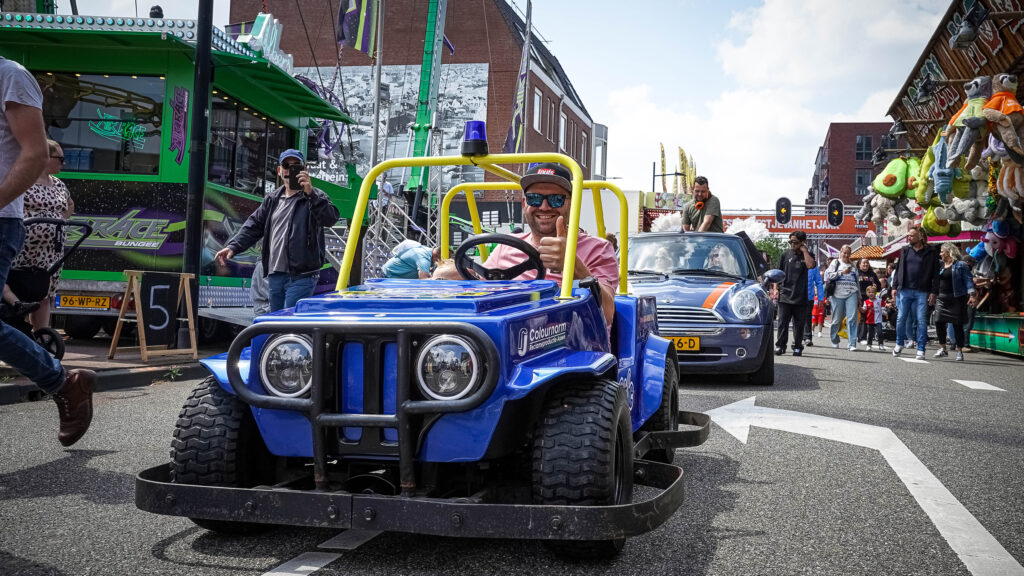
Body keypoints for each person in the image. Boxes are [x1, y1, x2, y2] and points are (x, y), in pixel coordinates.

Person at [0, 55, 96, 446]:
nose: (62, 161)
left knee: (37, 299)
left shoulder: (10, 76)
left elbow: (34, 153)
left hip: (5, 222)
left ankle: (61, 380)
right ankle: (64, 382)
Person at [485, 163, 618, 326]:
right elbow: (479, 284)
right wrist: (456, 275)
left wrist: (573, 266)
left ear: (570, 204)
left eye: (556, 199)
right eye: (534, 199)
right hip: (510, 334)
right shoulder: (506, 247)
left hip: (572, 338)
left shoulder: (598, 249)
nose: (544, 207)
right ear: (524, 204)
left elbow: (608, 313)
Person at [215, 149, 340, 312]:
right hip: (275, 275)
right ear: (280, 170)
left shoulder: (315, 196)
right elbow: (254, 225)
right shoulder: (272, 199)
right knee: (276, 320)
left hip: (302, 275)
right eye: (286, 166)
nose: (290, 170)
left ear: (304, 170)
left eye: (296, 165)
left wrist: (311, 194)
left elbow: (330, 219)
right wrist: (233, 247)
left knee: (289, 320)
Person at [3, 138, 73, 330]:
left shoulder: (58, 184)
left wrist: (60, 221)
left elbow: (70, 204)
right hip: (23, 247)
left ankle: (42, 334)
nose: (63, 163)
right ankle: (17, 314)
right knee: (16, 282)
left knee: (45, 291)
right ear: (45, 157)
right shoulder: (23, 179)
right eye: (60, 159)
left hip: (50, 252)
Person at [891, 225, 940, 360]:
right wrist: (894, 287)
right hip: (904, 290)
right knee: (901, 318)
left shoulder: (931, 252)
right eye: (909, 235)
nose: (909, 238)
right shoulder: (905, 250)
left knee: (921, 320)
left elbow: (936, 274)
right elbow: (899, 269)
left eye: (912, 235)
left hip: (922, 291)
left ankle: (921, 349)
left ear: (920, 236)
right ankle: (899, 343)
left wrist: (934, 292)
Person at [774, 230, 816, 356]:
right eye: (791, 242)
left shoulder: (809, 255)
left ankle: (797, 347)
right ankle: (780, 346)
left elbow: (811, 266)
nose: (792, 244)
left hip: (801, 296)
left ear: (803, 242)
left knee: (799, 324)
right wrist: (776, 289)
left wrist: (804, 251)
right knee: (782, 323)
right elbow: (778, 273)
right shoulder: (785, 255)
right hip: (785, 294)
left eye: (795, 242)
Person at [933, 243, 976, 362]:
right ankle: (943, 348)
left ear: (948, 252)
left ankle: (959, 351)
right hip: (942, 299)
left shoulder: (960, 265)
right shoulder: (941, 265)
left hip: (956, 298)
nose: (940, 254)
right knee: (938, 322)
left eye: (942, 251)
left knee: (957, 325)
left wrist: (972, 295)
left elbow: (968, 280)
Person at [824, 244, 860, 350]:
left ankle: (852, 343)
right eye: (844, 253)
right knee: (837, 319)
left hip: (852, 293)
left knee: (852, 318)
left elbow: (857, 282)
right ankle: (834, 339)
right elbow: (828, 275)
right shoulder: (835, 262)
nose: (846, 255)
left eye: (848, 253)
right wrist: (841, 272)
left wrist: (859, 297)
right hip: (837, 294)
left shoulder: (853, 266)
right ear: (840, 252)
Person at [855, 259, 881, 344]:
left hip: (869, 298)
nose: (866, 264)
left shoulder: (872, 274)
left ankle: (862, 337)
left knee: (865, 317)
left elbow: (878, 286)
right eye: (864, 263)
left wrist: (876, 287)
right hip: (858, 297)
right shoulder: (856, 272)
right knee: (860, 317)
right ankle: (859, 336)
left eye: (867, 263)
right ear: (859, 264)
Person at [803, 260, 825, 347]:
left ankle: (807, 337)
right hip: (795, 295)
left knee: (808, 316)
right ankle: (797, 337)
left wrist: (820, 298)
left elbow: (819, 282)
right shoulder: (794, 260)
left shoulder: (813, 265)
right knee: (797, 317)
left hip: (809, 295)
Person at [860, 285, 886, 351]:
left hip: (878, 320)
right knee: (870, 334)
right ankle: (869, 345)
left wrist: (888, 306)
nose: (871, 294)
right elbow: (864, 310)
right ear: (866, 293)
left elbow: (885, 305)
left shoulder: (879, 300)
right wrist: (859, 308)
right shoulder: (866, 302)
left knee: (880, 332)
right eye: (869, 292)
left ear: (875, 293)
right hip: (870, 320)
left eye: (872, 292)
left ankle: (881, 345)